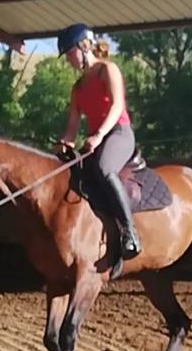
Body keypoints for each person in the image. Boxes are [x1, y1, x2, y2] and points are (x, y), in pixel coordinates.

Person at [56, 23, 142, 261]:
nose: (68, 60)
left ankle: (130, 232)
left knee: (104, 168)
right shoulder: (78, 87)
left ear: (84, 46)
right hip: (98, 138)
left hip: (119, 133)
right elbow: (72, 127)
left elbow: (117, 107)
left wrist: (99, 135)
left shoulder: (108, 70)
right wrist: (64, 142)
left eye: (69, 53)